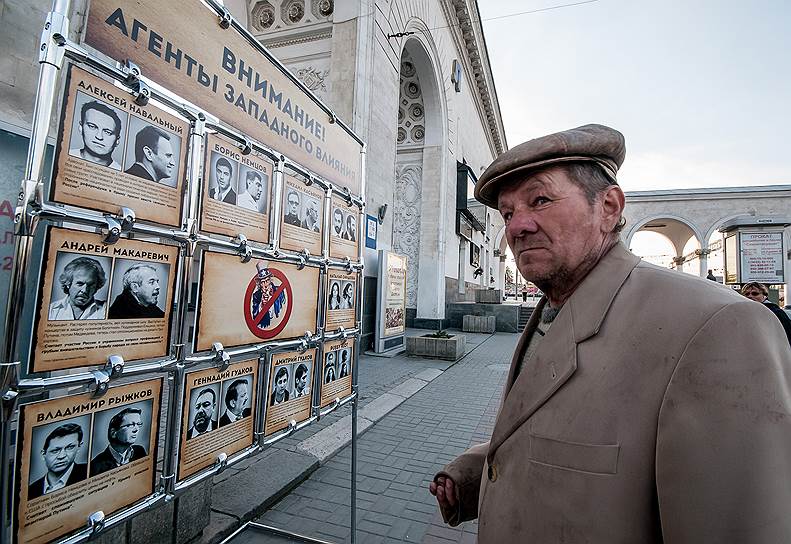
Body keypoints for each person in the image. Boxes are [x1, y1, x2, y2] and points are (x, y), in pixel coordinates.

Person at [429, 124, 791, 542]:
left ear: (609, 207)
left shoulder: (718, 327)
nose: (517, 227)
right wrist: (478, 473)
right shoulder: (553, 309)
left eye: (540, 200)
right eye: (508, 213)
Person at [28, 423, 88, 499]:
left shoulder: (92, 471)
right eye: (55, 451)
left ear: (79, 447)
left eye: (70, 447)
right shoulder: (31, 490)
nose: (62, 456)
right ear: (43, 454)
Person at [90, 407, 147, 476]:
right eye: (130, 425)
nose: (136, 429)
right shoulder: (96, 466)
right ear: (113, 433)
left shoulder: (139, 451)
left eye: (138, 424)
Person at [69, 100, 123, 170]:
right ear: (81, 127)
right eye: (92, 127)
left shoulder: (120, 171)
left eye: (107, 132)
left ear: (117, 140)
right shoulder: (66, 156)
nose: (99, 137)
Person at [741, 282, 791, 347]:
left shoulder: (775, 312)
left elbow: (787, 335)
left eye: (755, 294)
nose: (750, 296)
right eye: (746, 294)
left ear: (764, 296)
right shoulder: (744, 311)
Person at [251, 261, 286, 329]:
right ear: (259, 284)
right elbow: (255, 318)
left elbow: (283, 309)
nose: (266, 285)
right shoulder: (256, 295)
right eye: (263, 282)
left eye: (267, 281)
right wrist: (262, 305)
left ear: (270, 280)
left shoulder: (279, 291)